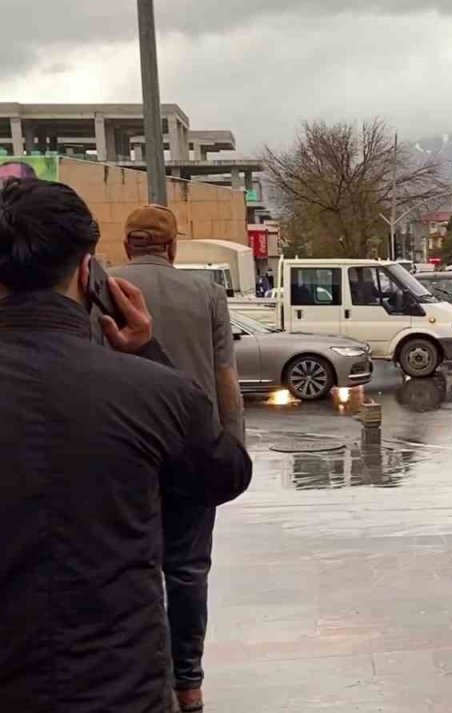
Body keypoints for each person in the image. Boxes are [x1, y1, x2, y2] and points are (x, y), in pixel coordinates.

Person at [0, 178, 252, 712]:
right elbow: (227, 474)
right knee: (186, 570)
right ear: (88, 271)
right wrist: (146, 353)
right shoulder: (152, 387)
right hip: (119, 690)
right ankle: (191, 682)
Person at [110, 205, 246, 712]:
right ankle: (189, 682)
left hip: (121, 451)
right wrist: (231, 447)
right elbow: (225, 379)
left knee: (129, 564)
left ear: (127, 245)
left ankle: (147, 675)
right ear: (171, 248)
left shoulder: (101, 287)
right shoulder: (206, 294)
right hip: (192, 448)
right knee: (188, 569)